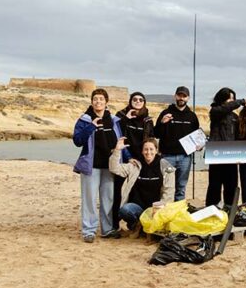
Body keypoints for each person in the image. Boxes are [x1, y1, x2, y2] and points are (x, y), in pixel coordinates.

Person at [72, 89, 126, 242]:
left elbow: (120, 142)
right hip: (91, 165)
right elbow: (77, 140)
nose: (98, 102)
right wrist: (91, 127)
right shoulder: (85, 119)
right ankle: (89, 231)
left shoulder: (114, 120)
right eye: (95, 99)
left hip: (109, 166)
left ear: (106, 102)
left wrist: (127, 159)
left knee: (108, 198)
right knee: (89, 199)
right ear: (91, 102)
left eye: (101, 99)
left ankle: (107, 229)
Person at [109, 137, 174, 236]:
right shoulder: (135, 165)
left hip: (156, 208)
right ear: (142, 151)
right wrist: (117, 150)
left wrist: (160, 209)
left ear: (156, 151)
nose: (148, 152)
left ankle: (145, 228)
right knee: (125, 210)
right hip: (138, 208)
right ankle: (137, 225)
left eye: (151, 149)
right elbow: (114, 168)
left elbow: (169, 191)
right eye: (146, 149)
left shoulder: (165, 166)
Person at [111, 91, 155, 233]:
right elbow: (116, 134)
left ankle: (134, 222)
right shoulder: (121, 115)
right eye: (134, 99)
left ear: (144, 102)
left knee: (136, 189)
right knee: (118, 191)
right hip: (125, 157)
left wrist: (148, 157)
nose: (137, 101)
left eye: (141, 99)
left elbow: (150, 139)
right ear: (130, 101)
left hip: (141, 160)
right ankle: (115, 224)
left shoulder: (147, 119)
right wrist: (126, 120)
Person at [154, 86, 201, 202]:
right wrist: (162, 123)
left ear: (188, 98)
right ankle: (164, 212)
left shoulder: (192, 116)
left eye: (184, 96)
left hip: (185, 157)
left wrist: (199, 146)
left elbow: (197, 136)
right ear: (175, 96)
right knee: (165, 187)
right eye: (179, 95)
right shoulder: (165, 113)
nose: (181, 98)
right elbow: (156, 134)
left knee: (181, 188)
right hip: (167, 156)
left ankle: (178, 212)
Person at [206, 87, 245, 208]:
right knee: (214, 186)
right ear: (221, 99)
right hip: (216, 156)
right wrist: (240, 101)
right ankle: (211, 209)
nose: (231, 101)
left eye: (233, 98)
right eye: (229, 98)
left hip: (231, 156)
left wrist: (240, 153)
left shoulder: (234, 116)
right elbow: (224, 109)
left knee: (231, 186)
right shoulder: (215, 111)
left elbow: (238, 136)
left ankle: (229, 210)